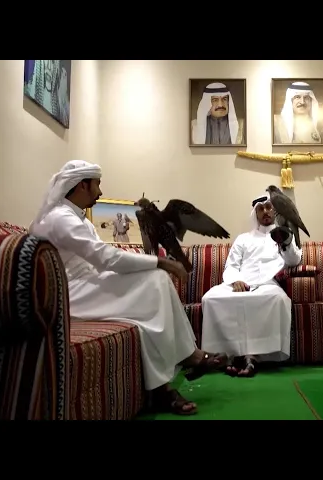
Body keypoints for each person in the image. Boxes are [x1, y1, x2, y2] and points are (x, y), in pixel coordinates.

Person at [28, 160, 227, 416]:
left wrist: (152, 265)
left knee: (154, 285)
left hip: (88, 286)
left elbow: (103, 261)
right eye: (97, 184)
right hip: (69, 295)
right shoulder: (61, 219)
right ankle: (177, 372)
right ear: (82, 185)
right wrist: (162, 262)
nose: (100, 191)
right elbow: (105, 258)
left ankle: (182, 366)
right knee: (156, 279)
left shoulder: (77, 219)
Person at [200, 193, 303, 377]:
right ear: (256, 214)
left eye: (269, 207)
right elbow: (231, 265)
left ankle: (254, 357)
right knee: (210, 298)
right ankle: (224, 356)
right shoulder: (243, 239)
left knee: (277, 300)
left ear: (275, 211)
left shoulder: (284, 234)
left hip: (267, 284)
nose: (265, 212)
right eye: (261, 209)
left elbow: (294, 260)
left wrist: (286, 242)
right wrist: (235, 280)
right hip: (240, 282)